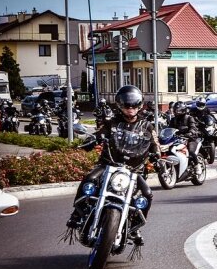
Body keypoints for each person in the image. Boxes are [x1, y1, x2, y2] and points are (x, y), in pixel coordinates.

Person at [66, 85, 159, 245]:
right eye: (126, 105)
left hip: (134, 171)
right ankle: (76, 213)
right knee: (89, 178)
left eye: (133, 105)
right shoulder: (112, 122)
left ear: (139, 106)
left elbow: (154, 142)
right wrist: (91, 140)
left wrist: (157, 155)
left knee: (147, 194)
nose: (130, 108)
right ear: (120, 105)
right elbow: (99, 133)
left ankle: (135, 227)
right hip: (108, 165)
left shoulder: (147, 126)